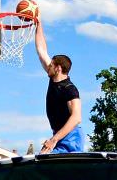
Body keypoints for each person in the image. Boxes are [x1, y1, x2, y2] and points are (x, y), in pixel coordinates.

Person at [34, 16, 82, 154]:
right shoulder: (53, 79)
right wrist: (38, 23)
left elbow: (76, 117)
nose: (48, 66)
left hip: (71, 137)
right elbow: (41, 50)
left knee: (46, 161)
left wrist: (54, 139)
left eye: (51, 65)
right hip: (59, 133)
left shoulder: (70, 89)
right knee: (42, 158)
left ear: (58, 68)